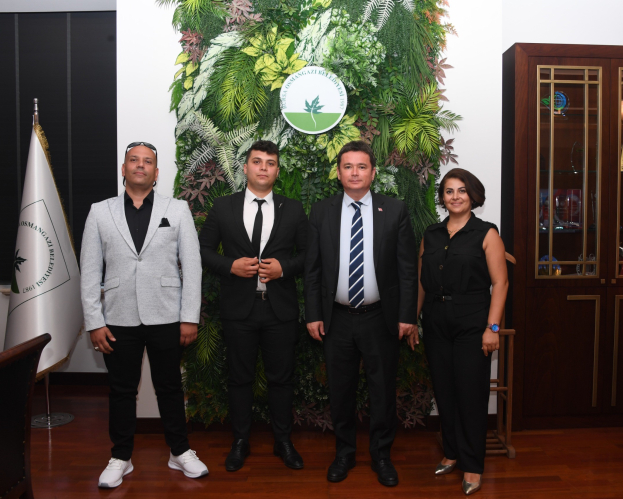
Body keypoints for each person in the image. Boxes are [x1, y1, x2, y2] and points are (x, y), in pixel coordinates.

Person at [81, 141, 208, 488]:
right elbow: (89, 271)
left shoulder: (177, 210)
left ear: (156, 172)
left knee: (170, 387)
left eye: (147, 161)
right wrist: (94, 321)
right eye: (134, 160)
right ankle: (121, 456)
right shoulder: (99, 212)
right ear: (123, 169)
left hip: (167, 315)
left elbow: (192, 267)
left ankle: (179, 451)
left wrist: (189, 317)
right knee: (121, 390)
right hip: (117, 317)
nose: (140, 165)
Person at [304, 141, 418, 487]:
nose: (354, 173)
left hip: (380, 317)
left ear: (373, 172)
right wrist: (313, 314)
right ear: (338, 173)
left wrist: (407, 315)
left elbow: (407, 269)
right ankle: (344, 454)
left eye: (362, 166)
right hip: (336, 318)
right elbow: (312, 269)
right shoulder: (321, 211)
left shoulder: (394, 210)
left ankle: (381, 456)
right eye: (348, 166)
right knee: (341, 390)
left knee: (382, 390)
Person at [198, 140, 308, 472]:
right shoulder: (223, 207)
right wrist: (229, 265)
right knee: (239, 379)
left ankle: (283, 441)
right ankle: (240, 441)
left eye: (270, 163)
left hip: (279, 310)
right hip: (238, 309)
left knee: (281, 380)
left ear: (277, 170)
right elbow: (203, 250)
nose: (263, 168)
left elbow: (309, 255)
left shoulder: (293, 209)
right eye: (257, 161)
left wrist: (284, 268)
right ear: (245, 168)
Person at [414, 168, 508, 496]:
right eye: (449, 191)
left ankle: (472, 464)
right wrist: (413, 320)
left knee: (470, 395)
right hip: (436, 322)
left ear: (473, 195)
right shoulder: (431, 234)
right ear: (442, 197)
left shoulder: (487, 233)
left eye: (462, 190)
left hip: (472, 323)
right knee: (445, 392)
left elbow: (500, 283)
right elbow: (422, 283)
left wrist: (492, 328)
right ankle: (452, 453)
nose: (455, 196)